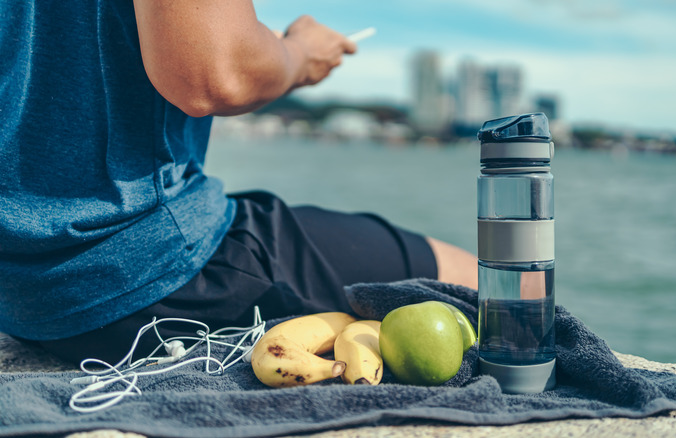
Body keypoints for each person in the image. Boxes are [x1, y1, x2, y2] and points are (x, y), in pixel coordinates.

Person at [0, 0, 477, 364]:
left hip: (15, 289)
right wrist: (299, 54)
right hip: (138, 272)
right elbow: (214, 72)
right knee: (492, 280)